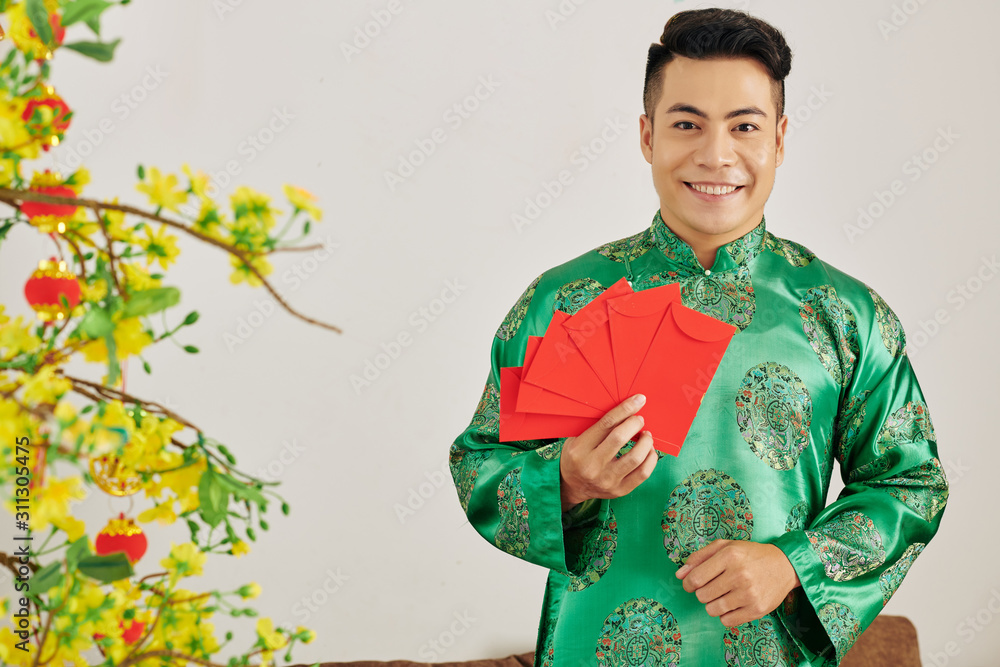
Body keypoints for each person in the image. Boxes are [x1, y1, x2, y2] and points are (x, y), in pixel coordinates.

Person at [448, 8, 948, 666]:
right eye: (687, 124)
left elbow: (911, 484)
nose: (716, 155)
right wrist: (564, 479)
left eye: (744, 126)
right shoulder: (561, 302)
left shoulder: (846, 315)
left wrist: (793, 562)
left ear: (780, 139)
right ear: (647, 135)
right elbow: (479, 462)